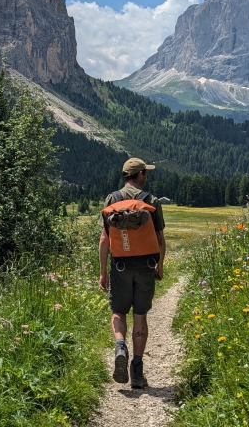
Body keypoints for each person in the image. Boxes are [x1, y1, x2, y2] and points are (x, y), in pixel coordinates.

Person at [98, 157, 166, 389]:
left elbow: (104, 239)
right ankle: (136, 372)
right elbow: (160, 238)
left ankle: (120, 346)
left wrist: (102, 273)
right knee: (140, 317)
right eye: (145, 173)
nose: (146, 176)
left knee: (118, 312)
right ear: (138, 175)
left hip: (120, 266)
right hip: (146, 266)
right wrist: (160, 265)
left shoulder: (112, 199)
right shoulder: (151, 200)